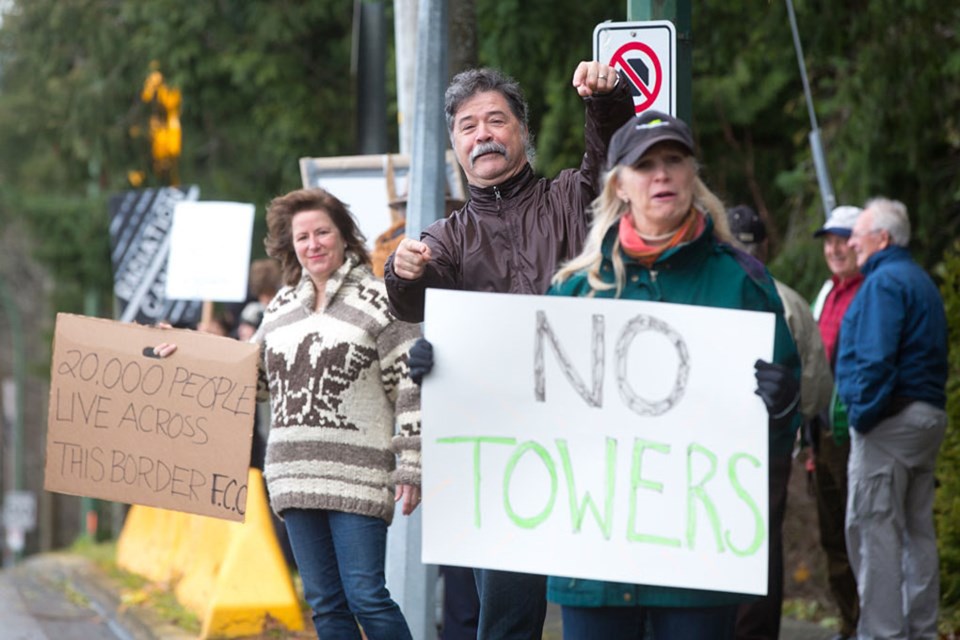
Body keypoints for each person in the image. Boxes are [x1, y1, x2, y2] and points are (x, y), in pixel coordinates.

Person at [385, 61, 634, 639]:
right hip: (502, 461)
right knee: (506, 621)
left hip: (592, 444)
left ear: (523, 132)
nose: (483, 135)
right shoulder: (443, 239)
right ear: (454, 147)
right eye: (468, 127)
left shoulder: (573, 197)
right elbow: (411, 304)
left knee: (601, 615)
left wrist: (605, 102)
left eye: (496, 120)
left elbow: (615, 162)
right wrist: (402, 272)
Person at [542, 111, 801, 639]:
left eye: (673, 161)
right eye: (645, 164)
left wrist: (783, 405)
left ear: (692, 175)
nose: (661, 175)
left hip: (698, 566)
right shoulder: (574, 292)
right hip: (594, 564)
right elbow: (523, 406)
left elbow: (774, 437)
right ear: (621, 184)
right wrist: (450, 370)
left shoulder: (743, 285)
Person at [155, 187, 423, 640]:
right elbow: (251, 380)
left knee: (367, 598)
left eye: (322, 232)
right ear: (290, 245)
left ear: (344, 236)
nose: (313, 244)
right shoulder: (279, 309)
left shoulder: (381, 300)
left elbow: (412, 387)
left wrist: (412, 465)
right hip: (293, 476)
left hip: (357, 475)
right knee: (325, 606)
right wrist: (191, 351)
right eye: (303, 237)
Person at [836, 197, 948, 640]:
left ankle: (882, 634)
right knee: (918, 535)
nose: (851, 243)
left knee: (874, 535)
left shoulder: (884, 284)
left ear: (881, 238)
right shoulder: (920, 280)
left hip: (889, 424)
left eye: (858, 234)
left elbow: (877, 359)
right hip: (926, 419)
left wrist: (861, 416)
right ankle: (922, 631)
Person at [726, 204, 833, 640]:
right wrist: (792, 427)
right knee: (761, 553)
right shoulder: (789, 300)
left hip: (709, 450)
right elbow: (816, 386)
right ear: (765, 246)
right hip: (769, 454)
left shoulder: (705, 290)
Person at [809, 205, 865, 640]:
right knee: (833, 538)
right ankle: (850, 623)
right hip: (820, 435)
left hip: (856, 432)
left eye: (841, 239)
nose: (833, 248)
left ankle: (871, 622)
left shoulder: (870, 291)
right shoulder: (827, 291)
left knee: (861, 533)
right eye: (828, 241)